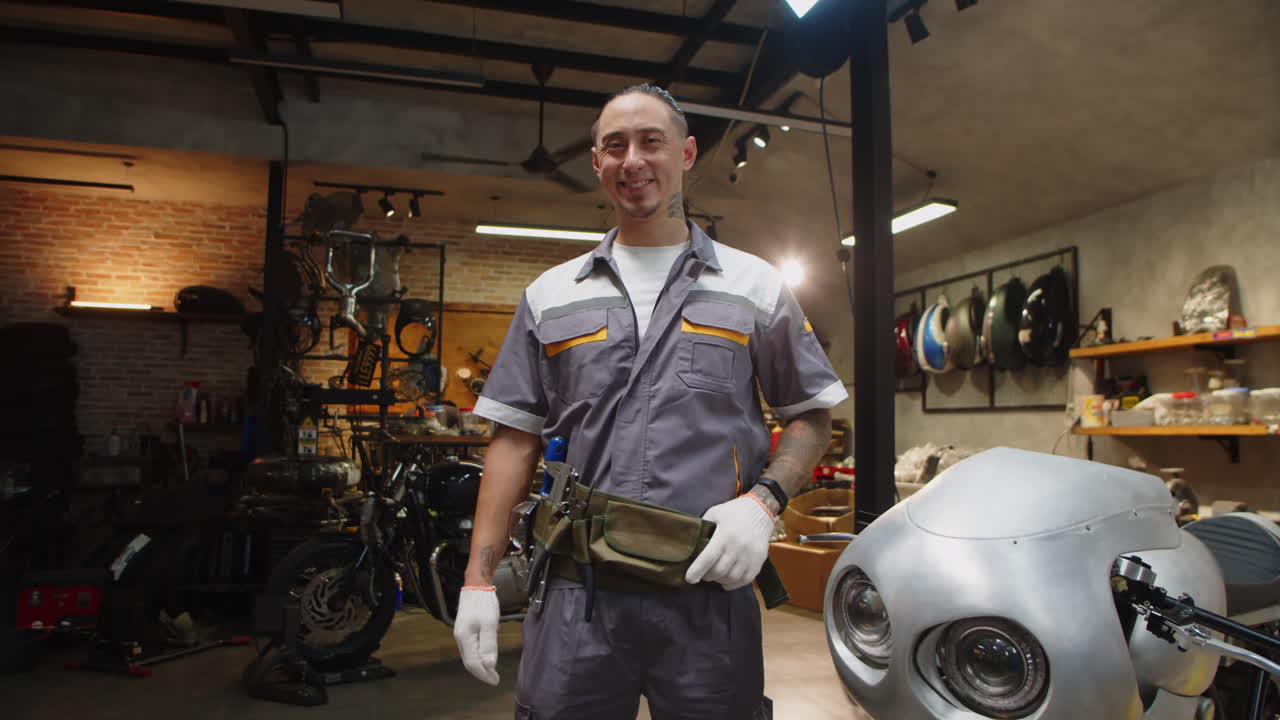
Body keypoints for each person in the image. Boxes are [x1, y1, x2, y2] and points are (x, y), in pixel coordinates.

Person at [453, 84, 847, 720]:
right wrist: (478, 580)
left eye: (651, 141)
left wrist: (764, 503)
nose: (633, 159)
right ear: (597, 164)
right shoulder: (550, 295)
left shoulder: (754, 286)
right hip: (579, 598)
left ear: (687, 153)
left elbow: (811, 414)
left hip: (706, 594)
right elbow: (514, 439)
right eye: (615, 146)